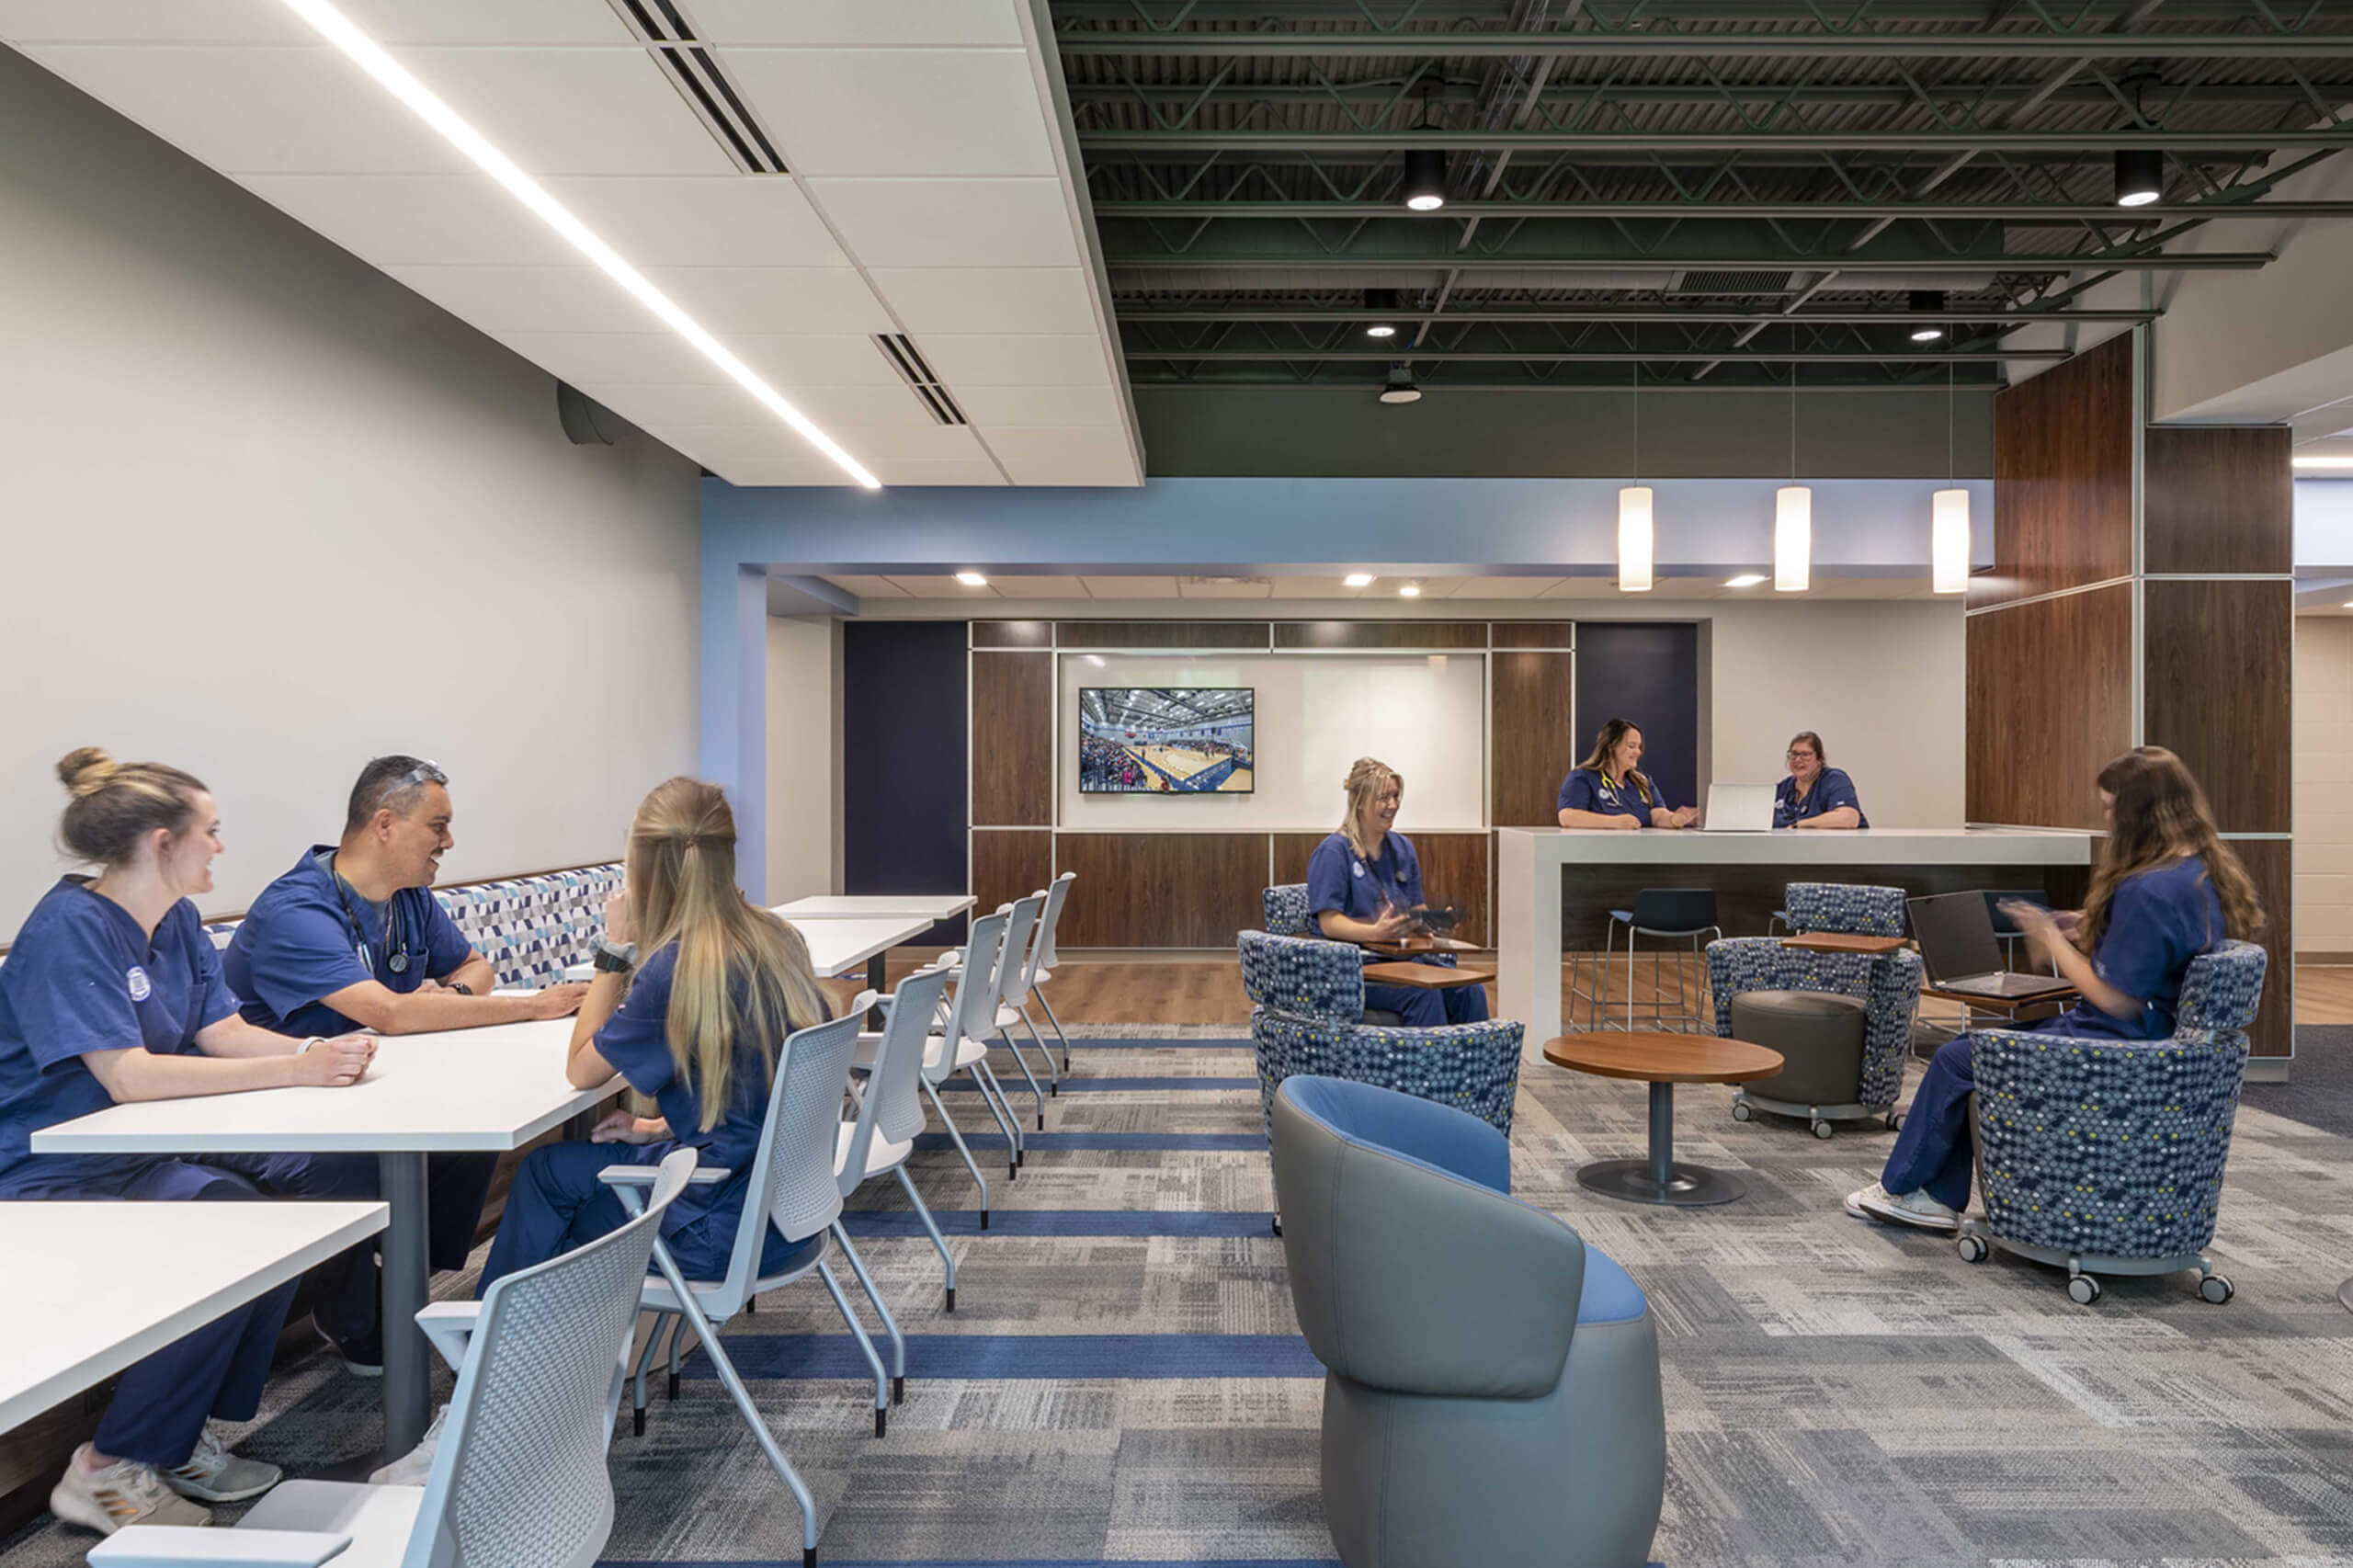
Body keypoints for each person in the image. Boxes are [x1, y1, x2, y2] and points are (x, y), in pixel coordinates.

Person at [369, 776, 835, 1484]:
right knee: (555, 1176)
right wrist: (657, 1130)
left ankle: (476, 1412)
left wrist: (615, 954)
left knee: (546, 1197)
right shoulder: (775, 938)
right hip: (782, 1209)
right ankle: (530, 1387)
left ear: (642, 868)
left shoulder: (677, 967)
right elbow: (754, 1085)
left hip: (719, 1225)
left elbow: (583, 1070)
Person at [0, 750, 375, 1535]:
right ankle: (108, 1467)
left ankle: (170, 1440)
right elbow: (127, 1078)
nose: (221, 846)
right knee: (230, 1233)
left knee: (282, 1218)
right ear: (162, 843)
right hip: (45, 1168)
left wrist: (312, 1062)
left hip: (133, 1153)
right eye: (211, 831)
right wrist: (294, 1072)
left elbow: (222, 1031)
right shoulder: (69, 929)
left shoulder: (174, 919)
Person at [222, 756, 587, 1374]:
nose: (448, 842)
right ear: (385, 824)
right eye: (438, 826)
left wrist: (453, 998)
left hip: (373, 1088)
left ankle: (399, 1278)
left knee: (471, 1131)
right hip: (281, 1104)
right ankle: (355, 1311)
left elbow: (474, 966)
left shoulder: (409, 898)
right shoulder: (297, 910)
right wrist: (531, 1009)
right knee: (371, 1162)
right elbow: (387, 1013)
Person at [1846, 746, 2263, 1232]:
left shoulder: (2147, 890)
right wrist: (2089, 924)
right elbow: (2160, 948)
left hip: (2118, 1051)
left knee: (1960, 1058)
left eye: (2111, 810)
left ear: (2139, 815)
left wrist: (2050, 940)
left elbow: (2116, 999)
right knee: (1971, 1049)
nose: (2107, 822)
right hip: (2158, 1045)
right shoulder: (2194, 874)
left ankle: (1907, 1190)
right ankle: (1934, 1195)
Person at [1304, 758, 1490, 1028]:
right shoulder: (1333, 852)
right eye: (1384, 798)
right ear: (1359, 801)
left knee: (1470, 991)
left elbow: (1417, 909)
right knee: (1425, 996)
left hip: (1405, 959)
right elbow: (1329, 923)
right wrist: (1375, 933)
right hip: (1355, 970)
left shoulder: (1403, 848)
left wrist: (1432, 925)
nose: (1393, 805)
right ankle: (1426, 1070)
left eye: (1395, 796)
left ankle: (1473, 1070)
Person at [1557, 719, 1697, 830]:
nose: (1638, 752)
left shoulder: (1642, 782)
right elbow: (1567, 817)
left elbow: (1657, 814)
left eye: (1639, 747)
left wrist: (1675, 819)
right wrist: (1614, 822)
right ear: (1611, 747)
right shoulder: (1582, 778)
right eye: (1631, 746)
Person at [1774, 731, 1868, 829]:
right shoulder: (1783, 788)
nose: (1797, 760)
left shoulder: (1834, 780)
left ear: (1819, 759)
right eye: (1793, 754)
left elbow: (1848, 819)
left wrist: (1798, 825)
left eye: (1805, 755)